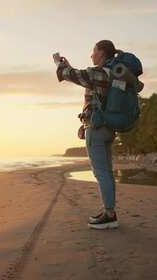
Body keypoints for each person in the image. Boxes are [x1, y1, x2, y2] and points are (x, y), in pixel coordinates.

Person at [55, 39, 120, 230]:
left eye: (93, 51)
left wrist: (60, 65)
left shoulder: (97, 73)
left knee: (101, 173)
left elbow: (70, 75)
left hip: (97, 129)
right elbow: (79, 75)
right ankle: (109, 210)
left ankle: (110, 215)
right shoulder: (113, 74)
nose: (91, 55)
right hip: (108, 128)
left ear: (101, 53)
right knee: (107, 172)